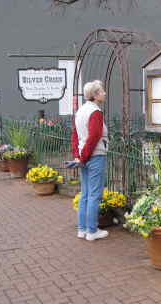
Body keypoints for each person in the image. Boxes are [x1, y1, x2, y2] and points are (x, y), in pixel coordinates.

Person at [71, 80, 108, 241]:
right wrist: (84, 156)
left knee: (85, 193)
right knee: (94, 194)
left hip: (84, 156)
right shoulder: (96, 112)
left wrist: (78, 156)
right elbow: (94, 137)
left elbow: (75, 136)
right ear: (95, 95)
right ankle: (92, 231)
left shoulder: (80, 111)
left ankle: (82, 228)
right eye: (102, 91)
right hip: (95, 156)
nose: (104, 93)